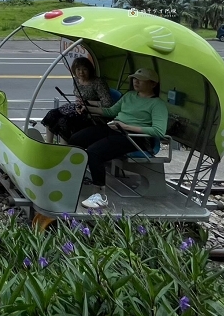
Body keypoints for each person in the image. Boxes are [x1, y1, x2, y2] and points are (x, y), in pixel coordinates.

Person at [69, 68, 168, 210]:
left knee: (94, 152)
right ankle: (76, 177)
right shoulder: (130, 96)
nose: (136, 81)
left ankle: (100, 195)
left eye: (140, 79)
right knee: (76, 139)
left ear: (153, 84)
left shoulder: (157, 104)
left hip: (134, 138)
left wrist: (126, 127)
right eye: (134, 78)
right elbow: (111, 112)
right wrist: (88, 108)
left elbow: (159, 131)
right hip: (115, 128)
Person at [41, 57, 113, 143]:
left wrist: (88, 102)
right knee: (52, 114)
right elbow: (77, 96)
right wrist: (78, 104)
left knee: (64, 121)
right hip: (78, 108)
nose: (81, 72)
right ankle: (49, 144)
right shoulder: (76, 80)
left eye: (84, 69)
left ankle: (65, 149)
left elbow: (108, 104)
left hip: (93, 112)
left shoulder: (98, 82)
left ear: (89, 70)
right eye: (78, 69)